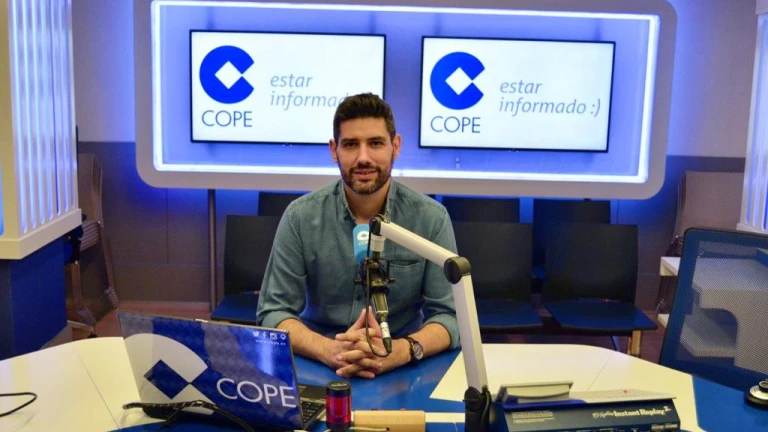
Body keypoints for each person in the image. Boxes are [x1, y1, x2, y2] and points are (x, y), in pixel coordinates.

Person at [256, 93, 459, 379]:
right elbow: (273, 314)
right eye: (351, 144)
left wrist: (401, 350)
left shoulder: (431, 219)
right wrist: (329, 350)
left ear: (395, 147)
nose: (363, 158)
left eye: (375, 143)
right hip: (319, 361)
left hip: (403, 366)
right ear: (334, 150)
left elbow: (450, 317)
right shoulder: (299, 217)